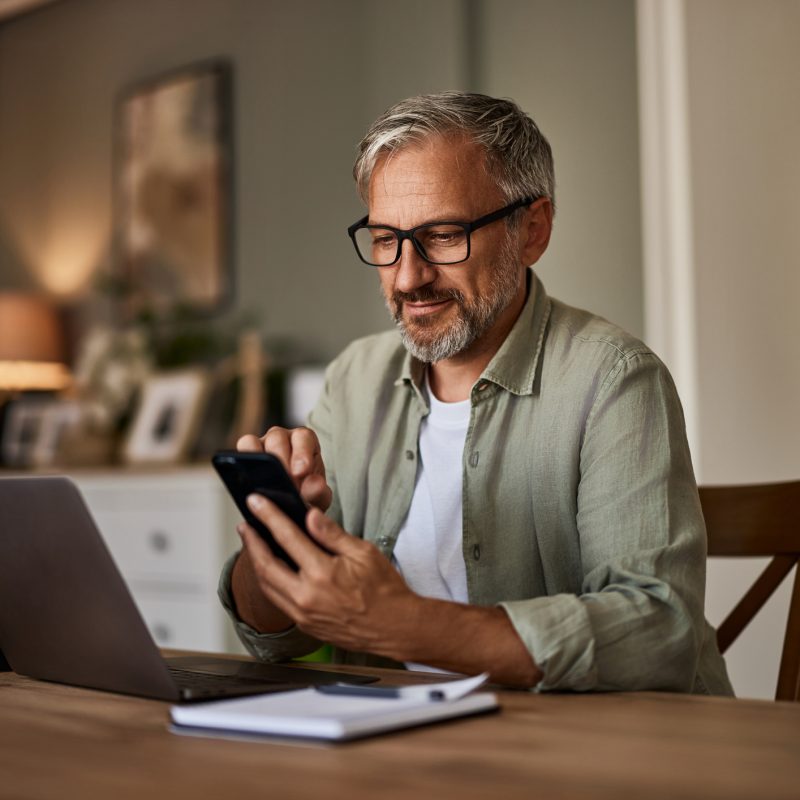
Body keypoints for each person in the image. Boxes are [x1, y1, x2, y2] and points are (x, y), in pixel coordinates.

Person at [219, 91, 733, 694]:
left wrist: (405, 624)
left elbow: (656, 634)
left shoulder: (615, 381)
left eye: (442, 235)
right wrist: (276, 543)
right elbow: (272, 636)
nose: (408, 276)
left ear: (532, 230)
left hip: (589, 756)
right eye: (386, 239)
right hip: (400, 748)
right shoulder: (354, 379)